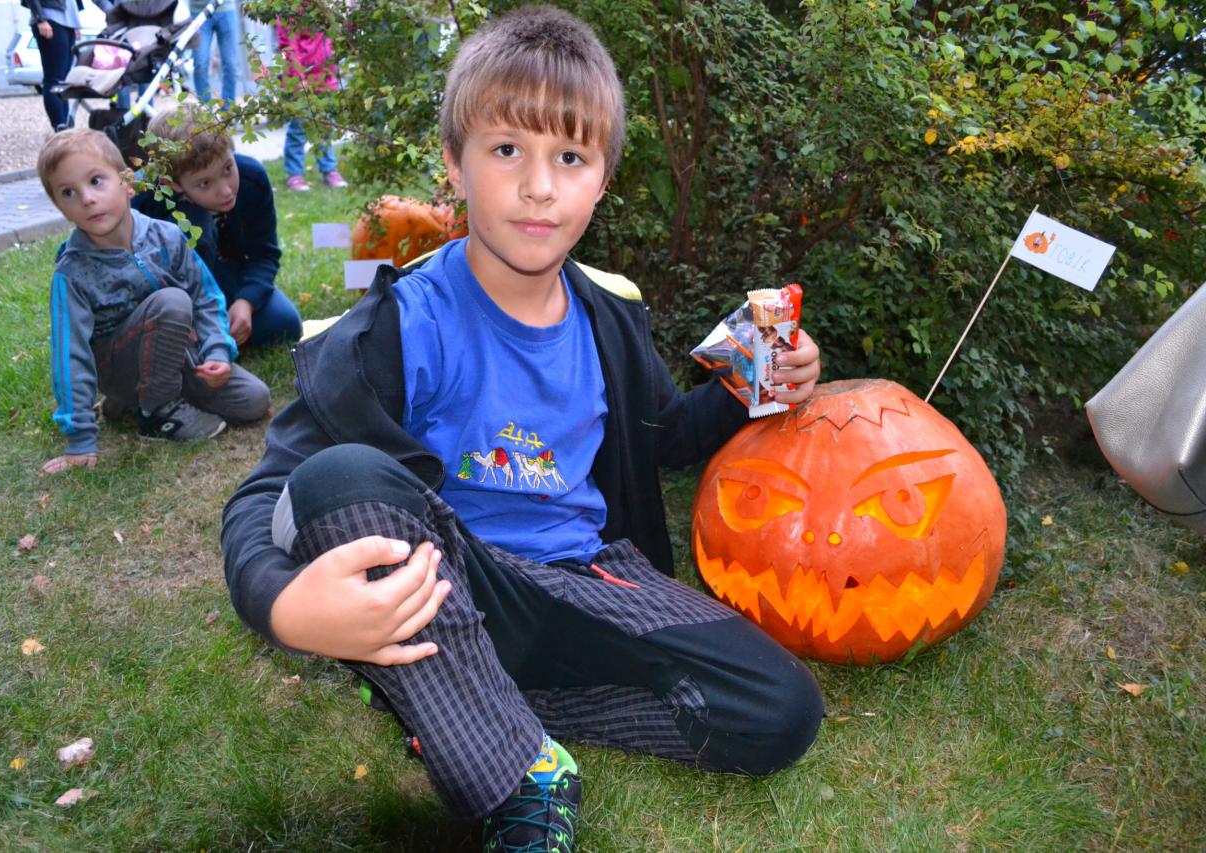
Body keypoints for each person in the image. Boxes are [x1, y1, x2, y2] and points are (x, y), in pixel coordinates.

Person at [220, 7, 824, 851]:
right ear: (454, 164)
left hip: (582, 582)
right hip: (456, 581)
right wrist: (281, 605)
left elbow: (665, 437)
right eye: (507, 150)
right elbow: (266, 494)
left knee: (781, 709)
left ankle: (462, 698)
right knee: (338, 478)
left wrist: (755, 384)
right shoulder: (400, 322)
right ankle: (520, 771)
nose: (539, 186)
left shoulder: (611, 319)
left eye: (570, 157)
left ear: (602, 179)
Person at [36, 129, 270, 476]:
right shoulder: (72, 274)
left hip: (179, 356)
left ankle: (131, 403)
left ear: (128, 183)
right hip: (118, 368)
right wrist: (80, 439)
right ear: (61, 208)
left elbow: (206, 297)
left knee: (254, 400)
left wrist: (217, 353)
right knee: (172, 302)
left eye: (96, 181)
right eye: (68, 192)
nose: (86, 198)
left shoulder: (167, 235)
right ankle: (156, 413)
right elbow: (71, 356)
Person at [133, 103, 302, 348]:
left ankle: (212, 333)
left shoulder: (252, 178)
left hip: (228, 276)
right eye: (204, 183)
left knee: (285, 323)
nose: (225, 191)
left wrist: (246, 302)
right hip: (172, 293)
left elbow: (264, 254)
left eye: (227, 169)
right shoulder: (144, 200)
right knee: (194, 223)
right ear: (173, 184)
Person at [275, 19, 346, 191]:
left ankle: (329, 169)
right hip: (302, 81)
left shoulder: (321, 11)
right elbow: (288, 45)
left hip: (325, 78)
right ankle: (294, 174)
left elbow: (332, 37)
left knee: (325, 128)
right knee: (299, 130)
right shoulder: (289, 12)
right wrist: (298, 77)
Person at [21, 0, 114, 131]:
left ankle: (65, 126)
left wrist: (74, 22)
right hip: (50, 18)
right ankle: (60, 126)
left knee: (63, 81)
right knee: (54, 79)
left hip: (67, 21)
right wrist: (40, 19)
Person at [188, 0, 240, 105]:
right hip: (198, 11)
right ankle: (206, 109)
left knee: (230, 64)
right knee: (200, 63)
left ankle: (228, 109)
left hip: (226, 9)